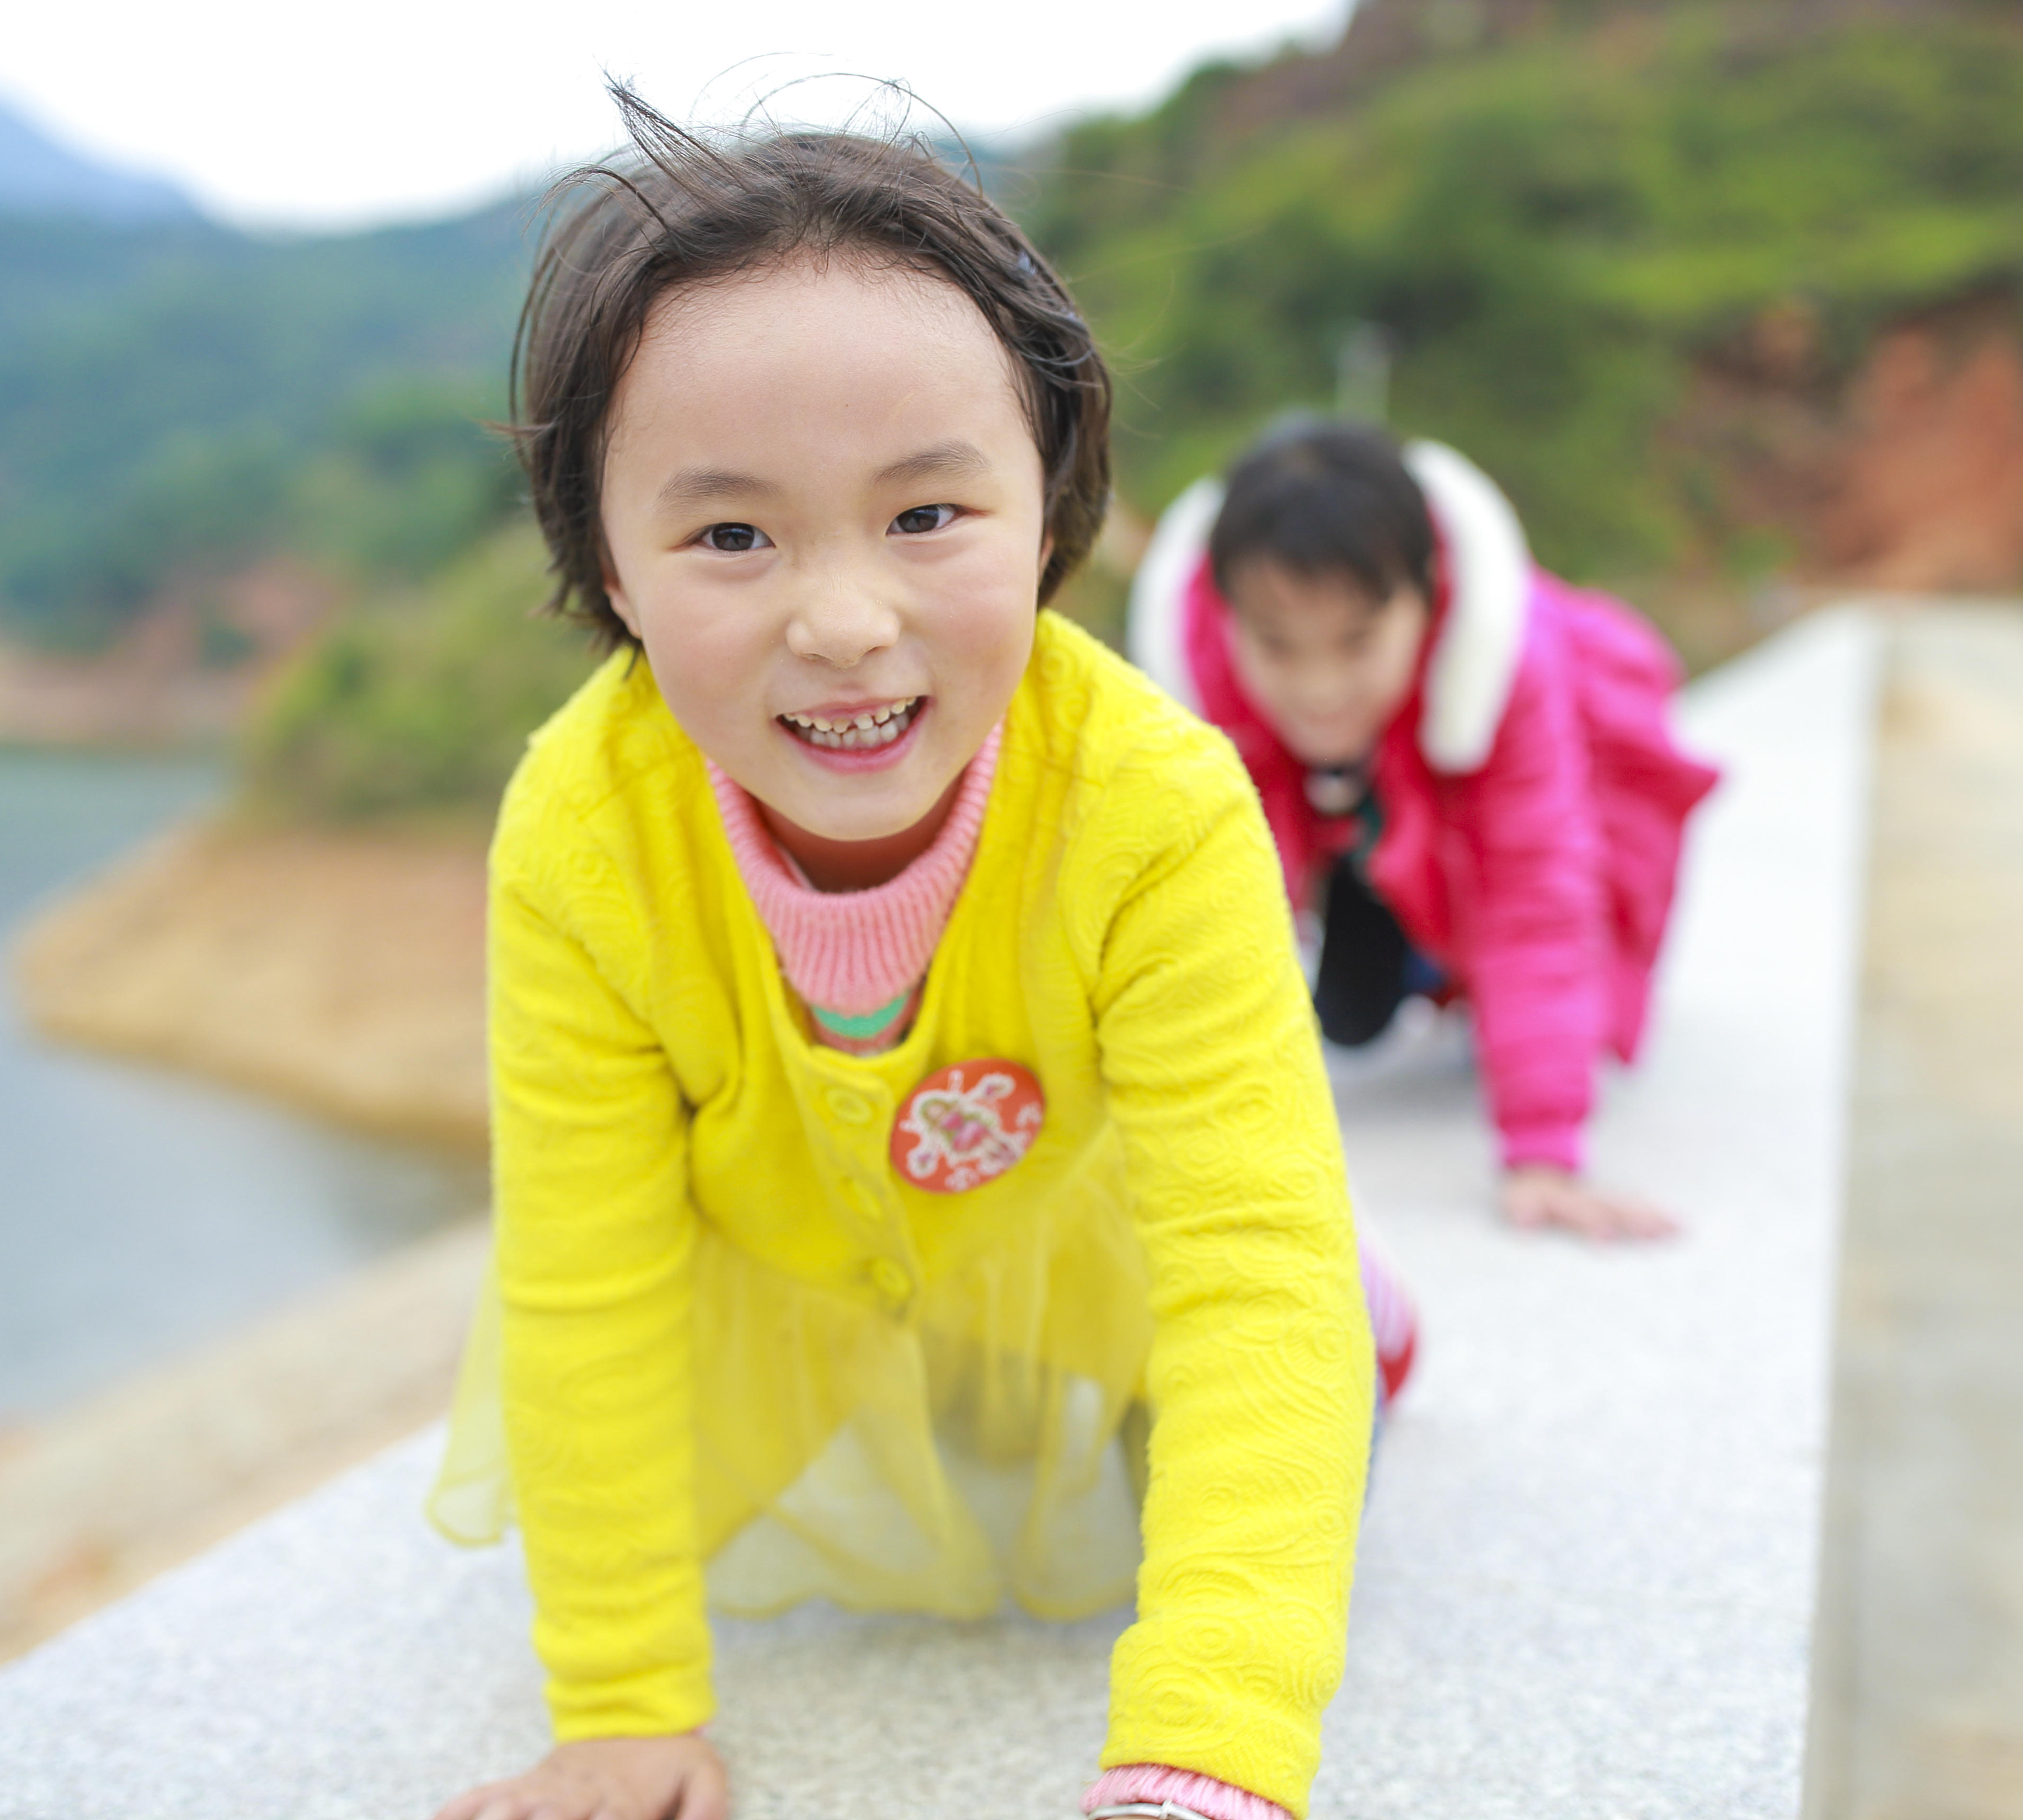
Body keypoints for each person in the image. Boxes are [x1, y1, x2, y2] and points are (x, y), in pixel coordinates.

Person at [424, 96, 1410, 1820]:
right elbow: (581, 1277)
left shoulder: (1158, 805)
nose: (845, 621)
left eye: (927, 514)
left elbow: (1249, 1274)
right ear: (606, 563)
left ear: (1053, 509)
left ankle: (1381, 1302)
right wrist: (623, 1699)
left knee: (1286, 1317)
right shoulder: (580, 833)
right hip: (784, 1257)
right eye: (731, 535)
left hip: (1073, 1225)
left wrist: (1211, 1746)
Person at [1129, 421, 1720, 1243]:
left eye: (1357, 641)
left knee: (1532, 980)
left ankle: (1461, 975)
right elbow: (1198, 917)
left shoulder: (1509, 662)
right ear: (1225, 614)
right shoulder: (1200, 676)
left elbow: (1536, 897)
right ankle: (1412, 938)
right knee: (1349, 1018)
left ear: (1430, 592)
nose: (1319, 688)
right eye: (1277, 646)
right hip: (1356, 812)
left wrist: (1542, 1148)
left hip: (1510, 790)